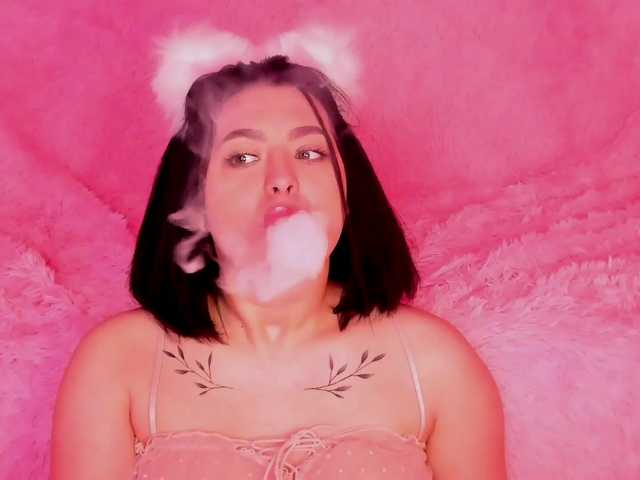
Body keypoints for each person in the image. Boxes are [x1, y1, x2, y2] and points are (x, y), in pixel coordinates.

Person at [51, 55, 507, 479]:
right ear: (193, 197)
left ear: (348, 189)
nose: (282, 179)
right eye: (243, 157)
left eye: (309, 153)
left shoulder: (435, 363)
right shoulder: (118, 362)